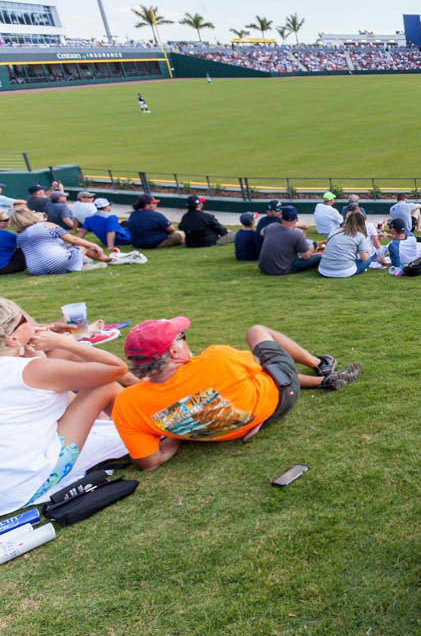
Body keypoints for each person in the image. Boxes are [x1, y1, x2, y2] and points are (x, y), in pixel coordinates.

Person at [112, 317, 360, 471]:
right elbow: (262, 367)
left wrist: (178, 431)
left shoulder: (128, 404)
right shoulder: (216, 358)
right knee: (257, 332)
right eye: (182, 338)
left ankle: (321, 381)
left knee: (251, 376)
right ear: (174, 353)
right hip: (278, 399)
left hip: (235, 428)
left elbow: (150, 462)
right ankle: (320, 364)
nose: (187, 341)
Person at [0, 298, 131, 515]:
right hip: (24, 483)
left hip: (5, 486)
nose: (30, 323)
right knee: (104, 386)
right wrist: (65, 343)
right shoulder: (32, 370)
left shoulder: (28, 368)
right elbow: (116, 368)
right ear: (13, 338)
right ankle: (146, 436)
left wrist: (34, 348)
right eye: (24, 320)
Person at [10, 207, 111, 275]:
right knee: (82, 247)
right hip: (56, 263)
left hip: (36, 269)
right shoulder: (47, 225)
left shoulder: (20, 237)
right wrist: (94, 245)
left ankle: (81, 264)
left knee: (71, 249)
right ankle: (109, 259)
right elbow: (73, 239)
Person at [258, 206, 321, 275]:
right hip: (282, 269)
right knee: (318, 257)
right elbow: (306, 256)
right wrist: (313, 247)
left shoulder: (272, 226)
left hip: (263, 267)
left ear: (281, 217)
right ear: (296, 218)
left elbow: (262, 232)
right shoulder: (296, 233)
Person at [318, 210, 375, 278]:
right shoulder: (360, 236)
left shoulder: (334, 231)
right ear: (362, 223)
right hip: (344, 271)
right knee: (369, 259)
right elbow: (364, 258)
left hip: (324, 270)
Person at [0, 210, 27, 275]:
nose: (9, 221)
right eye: (6, 220)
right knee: (23, 250)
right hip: (4, 268)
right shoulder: (9, 236)